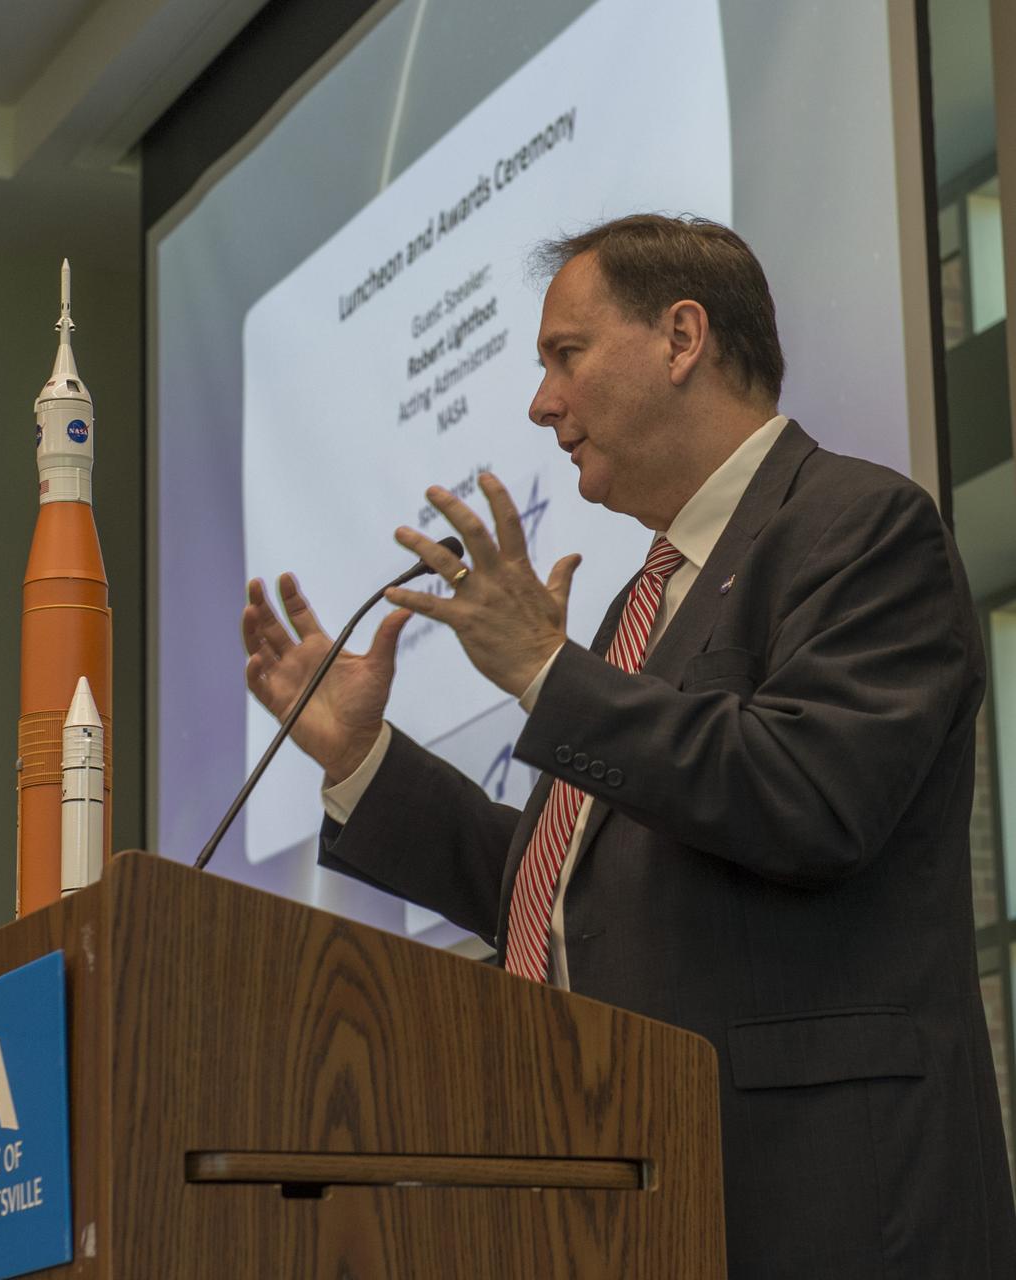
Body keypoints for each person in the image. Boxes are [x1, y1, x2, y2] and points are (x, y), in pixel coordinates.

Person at [241, 214, 1016, 1277]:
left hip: (823, 1204)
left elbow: (808, 792)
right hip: (643, 1204)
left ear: (682, 338)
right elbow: (571, 894)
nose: (541, 401)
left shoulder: (861, 525)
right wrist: (363, 760)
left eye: (566, 354)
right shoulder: (637, 612)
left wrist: (550, 674)